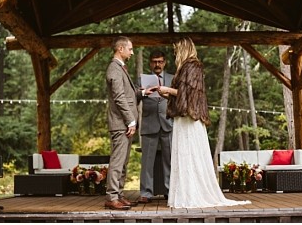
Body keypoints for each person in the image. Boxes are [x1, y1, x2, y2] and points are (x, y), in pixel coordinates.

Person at [157, 38, 250, 209]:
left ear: (184, 49)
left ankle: (193, 194)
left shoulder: (193, 66)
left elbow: (189, 94)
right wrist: (168, 94)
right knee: (183, 156)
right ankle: (185, 194)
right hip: (182, 118)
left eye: (177, 50)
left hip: (190, 119)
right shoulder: (185, 67)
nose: (175, 53)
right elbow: (182, 94)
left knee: (191, 155)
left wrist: (168, 89)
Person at [104, 36, 153, 210]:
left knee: (123, 162)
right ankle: (111, 197)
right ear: (120, 49)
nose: (132, 52)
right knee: (117, 162)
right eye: (130, 49)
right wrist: (130, 121)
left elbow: (128, 95)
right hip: (121, 123)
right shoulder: (114, 68)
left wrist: (144, 92)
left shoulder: (120, 68)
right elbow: (119, 97)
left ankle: (118, 194)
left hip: (124, 123)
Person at [138, 51, 173, 203]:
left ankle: (170, 191)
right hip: (149, 123)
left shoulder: (173, 78)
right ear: (150, 63)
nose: (157, 64)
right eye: (154, 61)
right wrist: (143, 92)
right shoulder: (142, 79)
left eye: (160, 61)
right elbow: (134, 96)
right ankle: (146, 193)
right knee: (147, 161)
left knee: (170, 160)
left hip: (168, 123)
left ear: (164, 62)